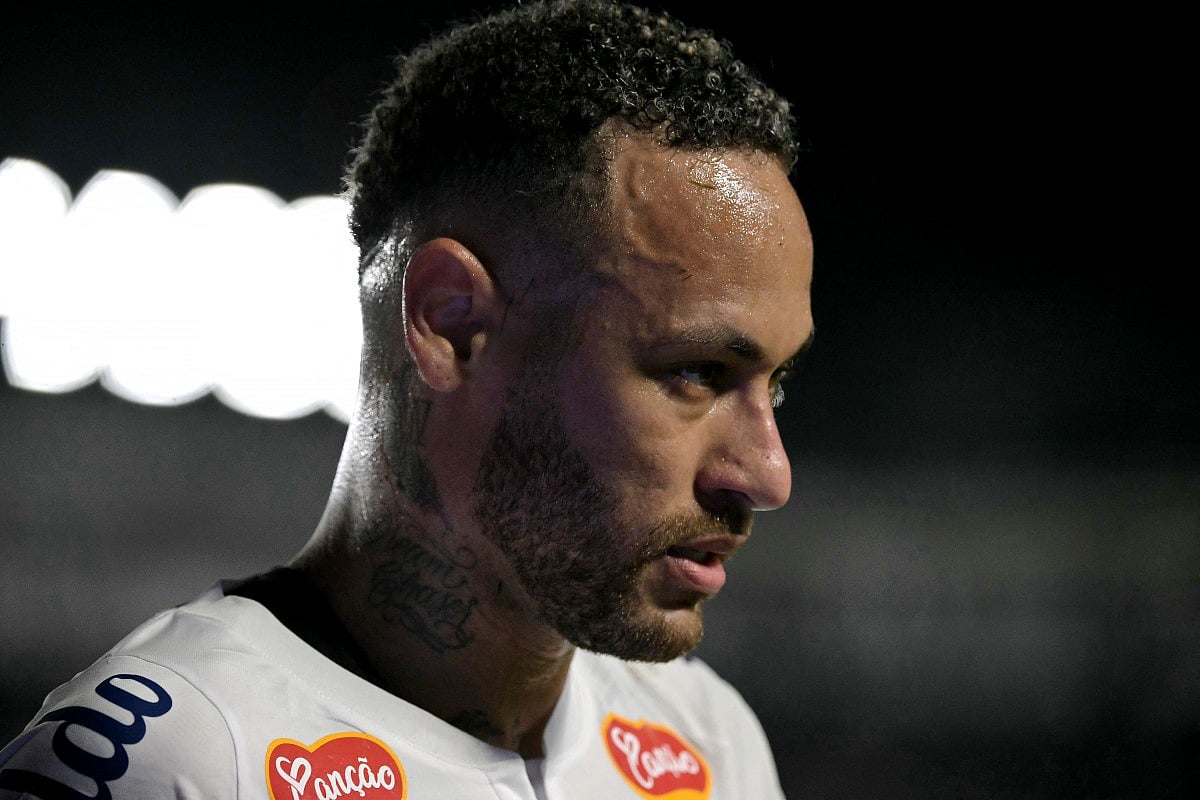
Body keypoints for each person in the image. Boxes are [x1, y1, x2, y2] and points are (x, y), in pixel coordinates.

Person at [0, 0, 814, 797]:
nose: (767, 475)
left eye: (774, 382)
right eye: (698, 373)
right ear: (451, 323)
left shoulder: (710, 744)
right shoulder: (173, 761)